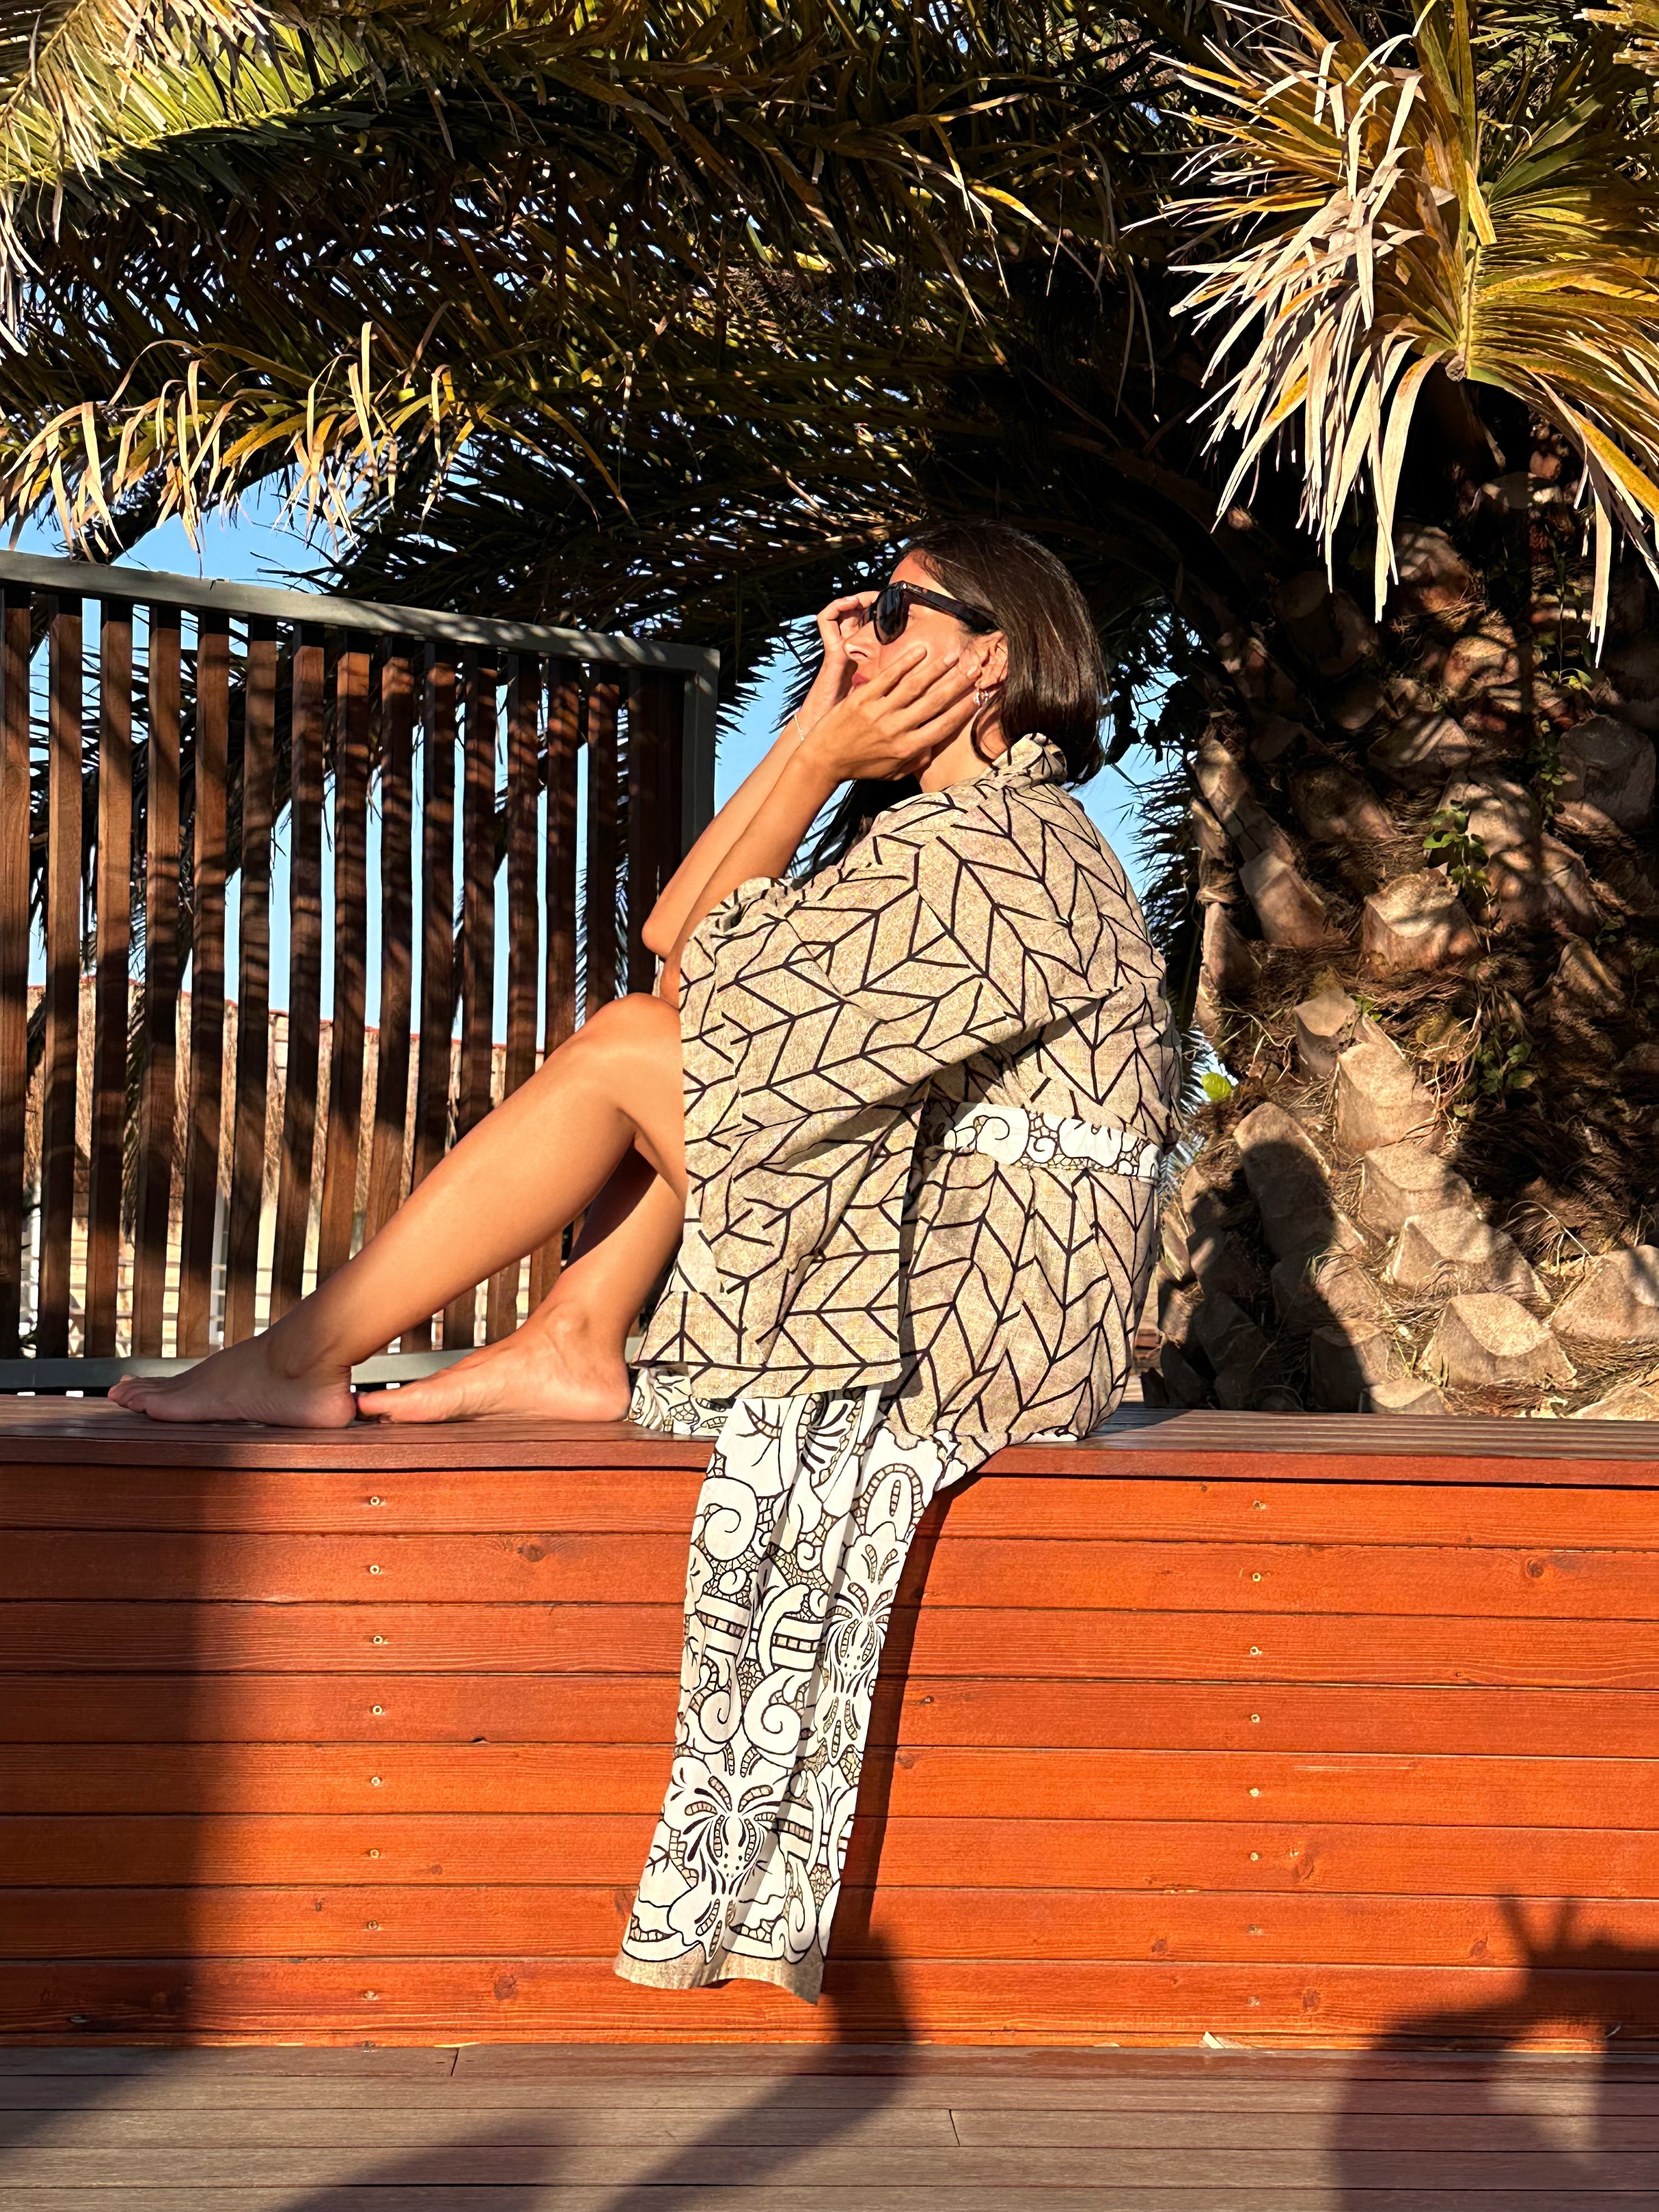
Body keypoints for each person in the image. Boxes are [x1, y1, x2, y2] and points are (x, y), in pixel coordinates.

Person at [111, 519, 1178, 2002]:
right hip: (943, 1256)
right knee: (661, 1038)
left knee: (632, 1052)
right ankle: (568, 1335)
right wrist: (817, 731)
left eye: (893, 610)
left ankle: (305, 1358)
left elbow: (690, 985)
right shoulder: (937, 838)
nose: (858, 632)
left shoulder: (1005, 856)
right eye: (856, 612)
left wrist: (815, 754)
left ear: (992, 659)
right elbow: (687, 945)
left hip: (973, 1313)